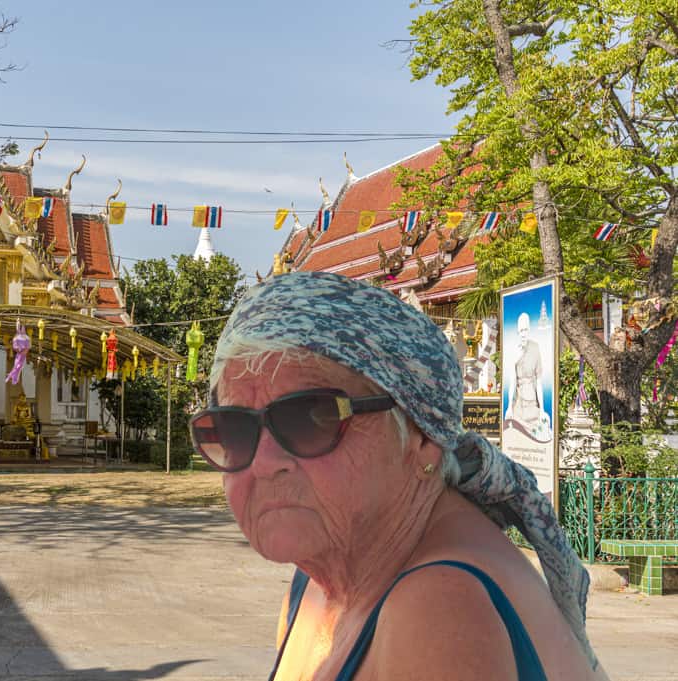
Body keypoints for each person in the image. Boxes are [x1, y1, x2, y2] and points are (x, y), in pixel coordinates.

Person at [189, 272, 607, 681]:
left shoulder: (439, 610)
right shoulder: (317, 582)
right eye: (233, 427)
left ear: (424, 436)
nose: (263, 462)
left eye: (311, 418)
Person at [506, 312, 550, 441]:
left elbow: (539, 382)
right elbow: (512, 382)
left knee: (542, 431)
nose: (523, 333)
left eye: (525, 329)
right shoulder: (514, 350)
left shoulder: (535, 347)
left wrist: (542, 409)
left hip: (532, 400)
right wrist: (509, 406)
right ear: (518, 332)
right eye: (521, 330)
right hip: (519, 402)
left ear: (529, 330)